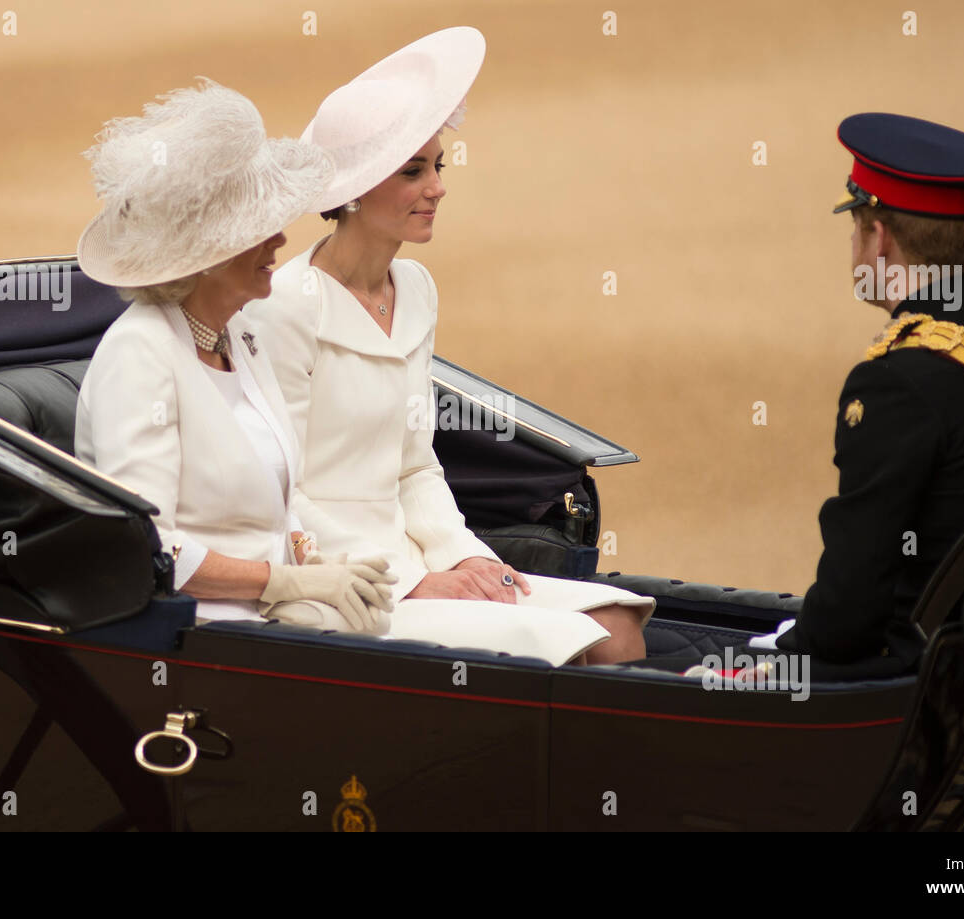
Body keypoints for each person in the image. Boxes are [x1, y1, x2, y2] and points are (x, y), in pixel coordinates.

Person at [643, 112, 964, 679]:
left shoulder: (895, 380)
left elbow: (847, 615)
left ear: (878, 238)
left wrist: (777, 664)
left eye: (856, 225)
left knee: (647, 658)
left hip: (917, 679)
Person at [252, 27, 654, 665]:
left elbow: (416, 467)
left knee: (619, 626)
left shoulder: (414, 287)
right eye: (414, 171)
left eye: (437, 166)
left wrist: (467, 558)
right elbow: (278, 489)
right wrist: (415, 584)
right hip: (334, 584)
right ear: (354, 188)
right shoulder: (284, 304)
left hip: (413, 559)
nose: (438, 186)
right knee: (570, 647)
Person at [73, 79, 396, 633]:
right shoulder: (139, 355)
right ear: (203, 257)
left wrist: (308, 555)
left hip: (266, 619)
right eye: (257, 230)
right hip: (195, 631)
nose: (279, 241)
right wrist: (283, 581)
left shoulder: (239, 335)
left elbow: (272, 501)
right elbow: (151, 548)